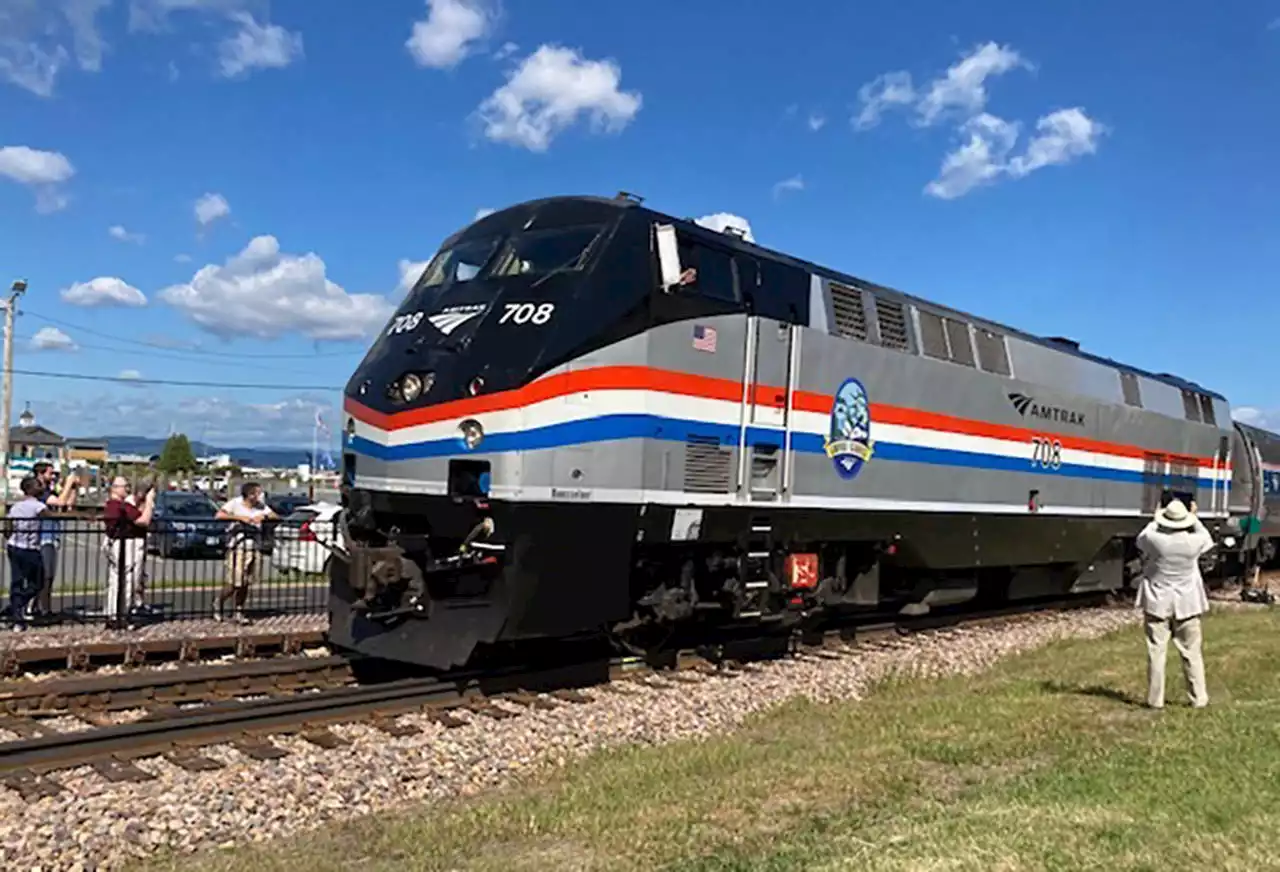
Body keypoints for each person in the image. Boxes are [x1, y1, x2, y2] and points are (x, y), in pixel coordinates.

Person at [1135, 498, 1215, 709]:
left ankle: (1155, 700)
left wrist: (1156, 516)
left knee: (1156, 652)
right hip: (1187, 604)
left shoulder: (1155, 539)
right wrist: (1194, 516)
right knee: (1192, 653)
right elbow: (1206, 536)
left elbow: (1142, 537)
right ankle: (1198, 698)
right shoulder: (1194, 541)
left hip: (1157, 603)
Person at [214, 482, 278, 624]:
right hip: (238, 546)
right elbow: (219, 515)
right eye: (257, 493)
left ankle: (239, 610)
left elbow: (275, 515)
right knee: (235, 582)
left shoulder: (261, 506)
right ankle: (219, 603)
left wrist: (263, 517)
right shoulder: (235, 503)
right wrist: (240, 518)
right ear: (249, 495)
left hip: (254, 546)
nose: (259, 496)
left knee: (245, 583)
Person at [29, 461, 79, 622]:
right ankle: (37, 609)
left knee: (49, 576)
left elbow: (67, 505)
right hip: (42, 538)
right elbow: (59, 502)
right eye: (50, 473)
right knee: (44, 575)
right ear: (40, 474)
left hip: (52, 536)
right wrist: (69, 482)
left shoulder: (50, 490)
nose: (53, 477)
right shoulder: (39, 492)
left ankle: (45, 609)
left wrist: (72, 488)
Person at [102, 476, 155, 629]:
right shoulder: (120, 506)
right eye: (125, 486)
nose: (127, 489)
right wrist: (150, 501)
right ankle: (120, 615)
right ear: (115, 488)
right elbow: (144, 521)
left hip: (117, 543)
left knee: (116, 581)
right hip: (124, 545)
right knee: (127, 581)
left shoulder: (114, 505)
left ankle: (113, 614)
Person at [6, 476, 48, 631]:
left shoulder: (16, 506)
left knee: (17, 580)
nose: (41, 487)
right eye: (38, 485)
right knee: (38, 582)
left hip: (14, 546)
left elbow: (8, 526)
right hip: (29, 549)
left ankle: (16, 611)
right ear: (30, 489)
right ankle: (16, 607)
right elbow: (51, 515)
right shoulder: (38, 506)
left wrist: (10, 535)